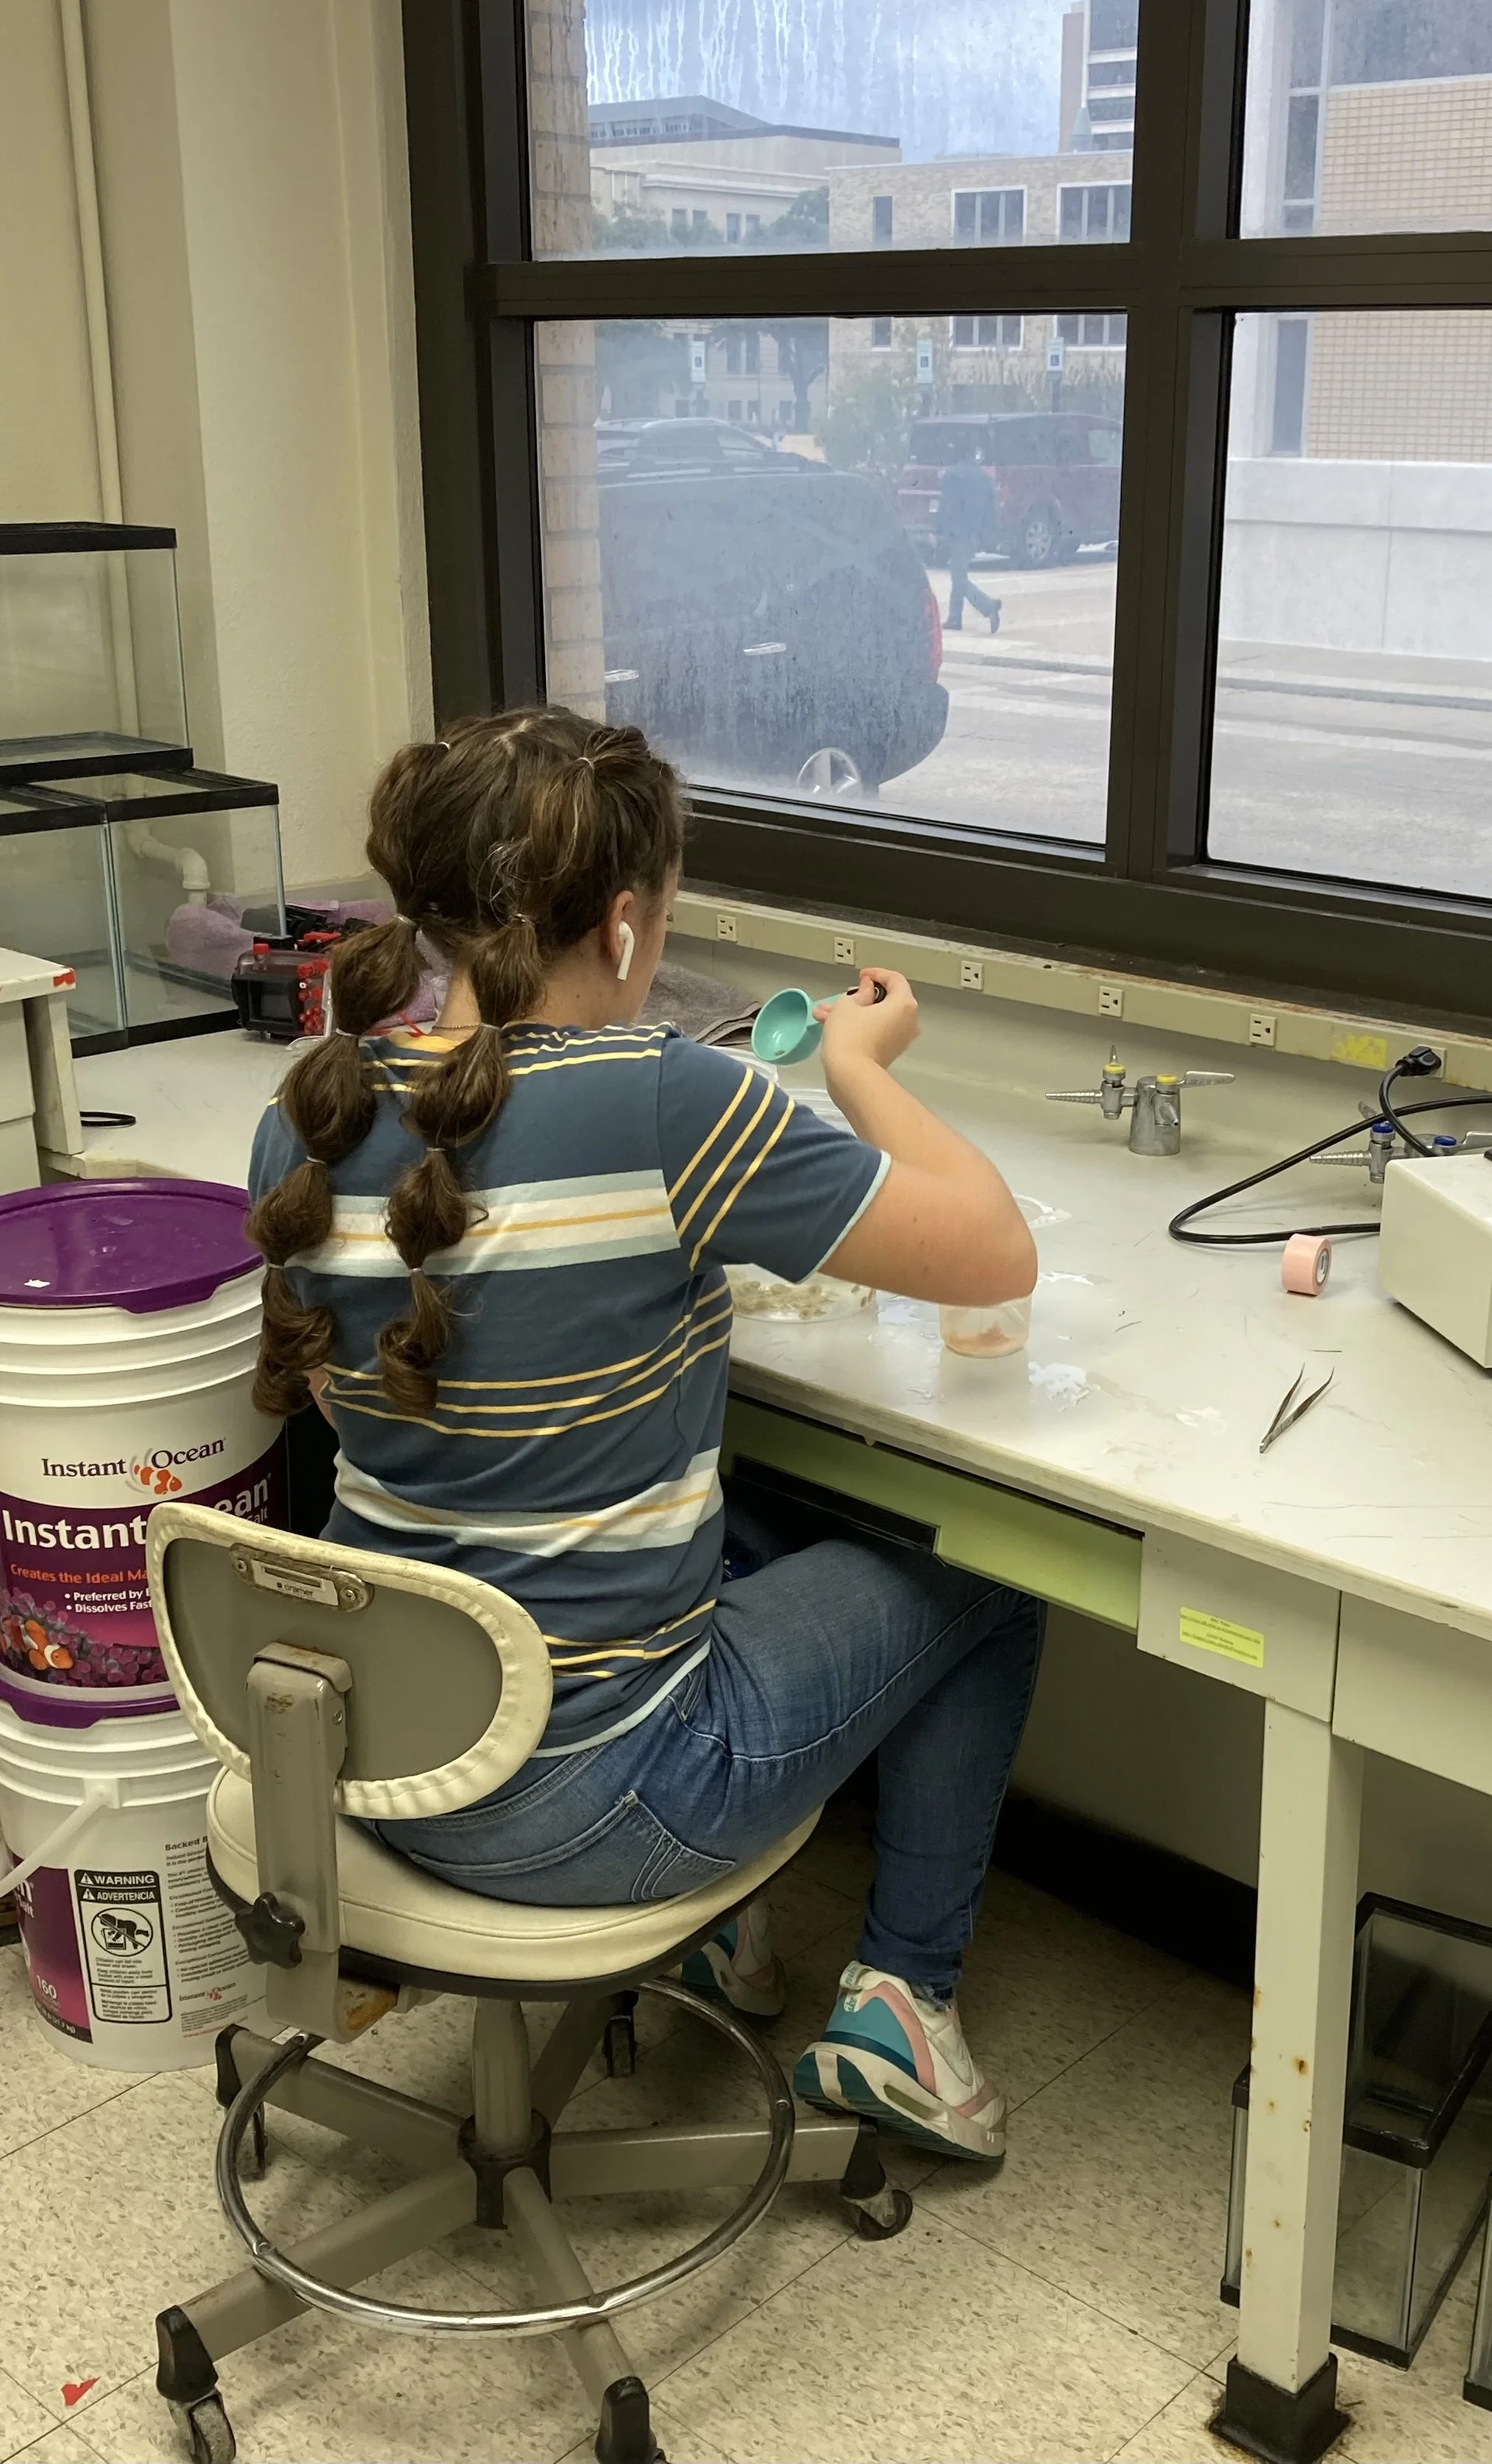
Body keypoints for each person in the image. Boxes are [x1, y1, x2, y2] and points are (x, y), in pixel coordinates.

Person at [246, 706, 1041, 2163]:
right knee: (989, 1574)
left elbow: (345, 1392)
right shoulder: (669, 1101)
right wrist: (865, 1066)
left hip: (368, 1760)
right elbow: (993, 1254)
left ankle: (730, 1949)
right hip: (590, 1799)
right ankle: (903, 2012)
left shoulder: (310, 1107)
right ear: (624, 927)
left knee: (740, 1524)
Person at [937, 441, 1003, 636]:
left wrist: (939, 529)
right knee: (959, 573)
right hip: (975, 533)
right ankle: (955, 617)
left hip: (957, 531)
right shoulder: (984, 476)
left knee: (958, 577)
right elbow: (992, 507)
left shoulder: (952, 474)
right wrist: (990, 532)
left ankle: (988, 605)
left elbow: (947, 505)